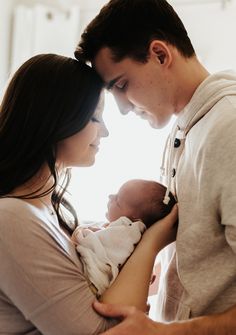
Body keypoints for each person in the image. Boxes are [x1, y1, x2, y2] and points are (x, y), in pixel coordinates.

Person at [75, 0, 236, 333]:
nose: (120, 109)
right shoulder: (184, 128)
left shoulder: (229, 129)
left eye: (121, 85)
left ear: (160, 54)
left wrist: (162, 332)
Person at [0, 53, 178, 334]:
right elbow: (108, 331)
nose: (105, 132)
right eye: (95, 117)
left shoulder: (48, 211)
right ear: (56, 119)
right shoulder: (12, 218)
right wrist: (152, 240)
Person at [72, 179, 176, 296]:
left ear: (134, 220)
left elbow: (92, 242)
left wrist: (84, 232)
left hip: (96, 282)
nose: (110, 196)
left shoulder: (127, 231)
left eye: (117, 200)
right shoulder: (138, 238)